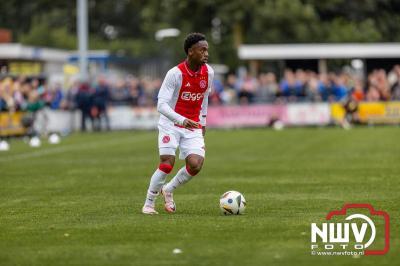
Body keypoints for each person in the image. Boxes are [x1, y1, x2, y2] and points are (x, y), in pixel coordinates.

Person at [142, 32, 214, 215]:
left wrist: (203, 122)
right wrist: (181, 120)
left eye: (207, 50)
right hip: (171, 124)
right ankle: (149, 203)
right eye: (202, 50)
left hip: (193, 125)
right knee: (167, 163)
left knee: (196, 164)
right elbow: (161, 105)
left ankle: (168, 189)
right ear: (190, 51)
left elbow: (204, 98)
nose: (206, 53)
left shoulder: (209, 72)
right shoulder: (175, 74)